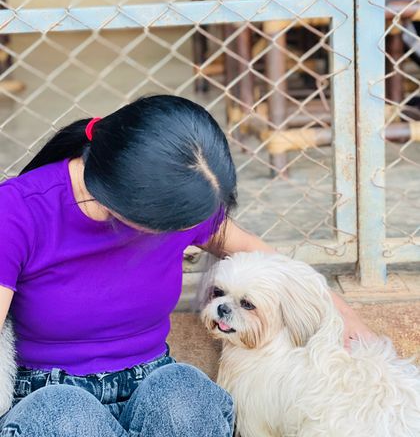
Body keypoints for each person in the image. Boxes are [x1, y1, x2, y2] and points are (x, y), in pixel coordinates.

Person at [0, 94, 373, 437]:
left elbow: (261, 255)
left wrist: (339, 314)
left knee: (188, 400)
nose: (188, 233)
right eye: (176, 224)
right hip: (49, 390)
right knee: (67, 418)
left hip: (152, 378)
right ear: (131, 202)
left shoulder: (176, 197)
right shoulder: (17, 212)